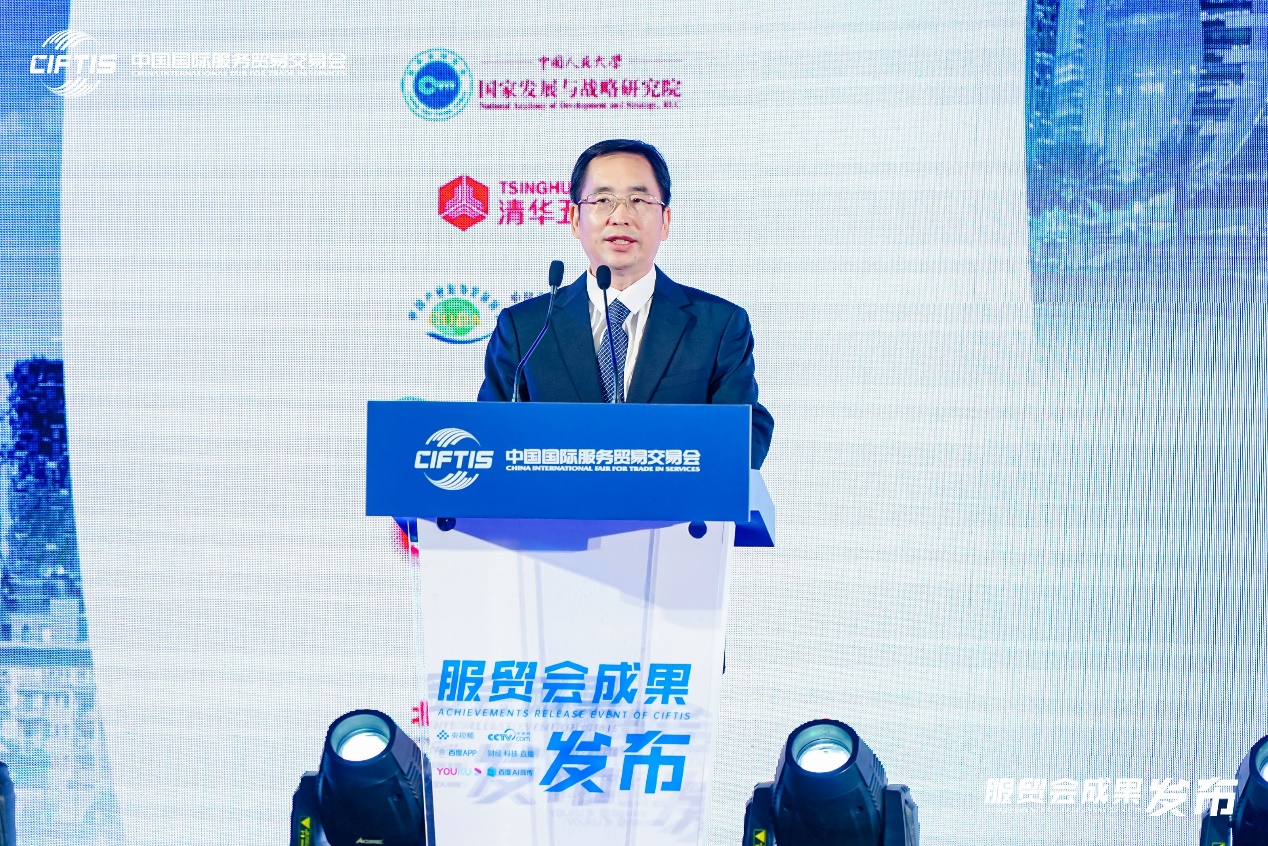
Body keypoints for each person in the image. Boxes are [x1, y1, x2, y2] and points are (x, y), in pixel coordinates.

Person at [478, 139, 773, 468]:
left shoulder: (717, 326)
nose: (620, 216)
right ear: (575, 218)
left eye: (638, 200)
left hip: (671, 500)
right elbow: (489, 437)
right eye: (603, 200)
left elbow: (745, 432)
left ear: (665, 221)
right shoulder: (526, 328)